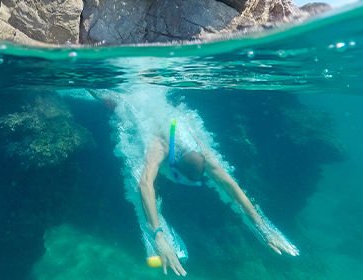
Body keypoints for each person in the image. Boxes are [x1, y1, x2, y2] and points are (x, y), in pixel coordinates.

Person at [86, 89, 298, 277]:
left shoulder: (201, 153)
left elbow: (229, 185)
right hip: (128, 104)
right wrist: (158, 237)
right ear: (175, 168)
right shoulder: (159, 149)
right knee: (102, 94)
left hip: (152, 107)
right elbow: (144, 185)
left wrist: (262, 227)